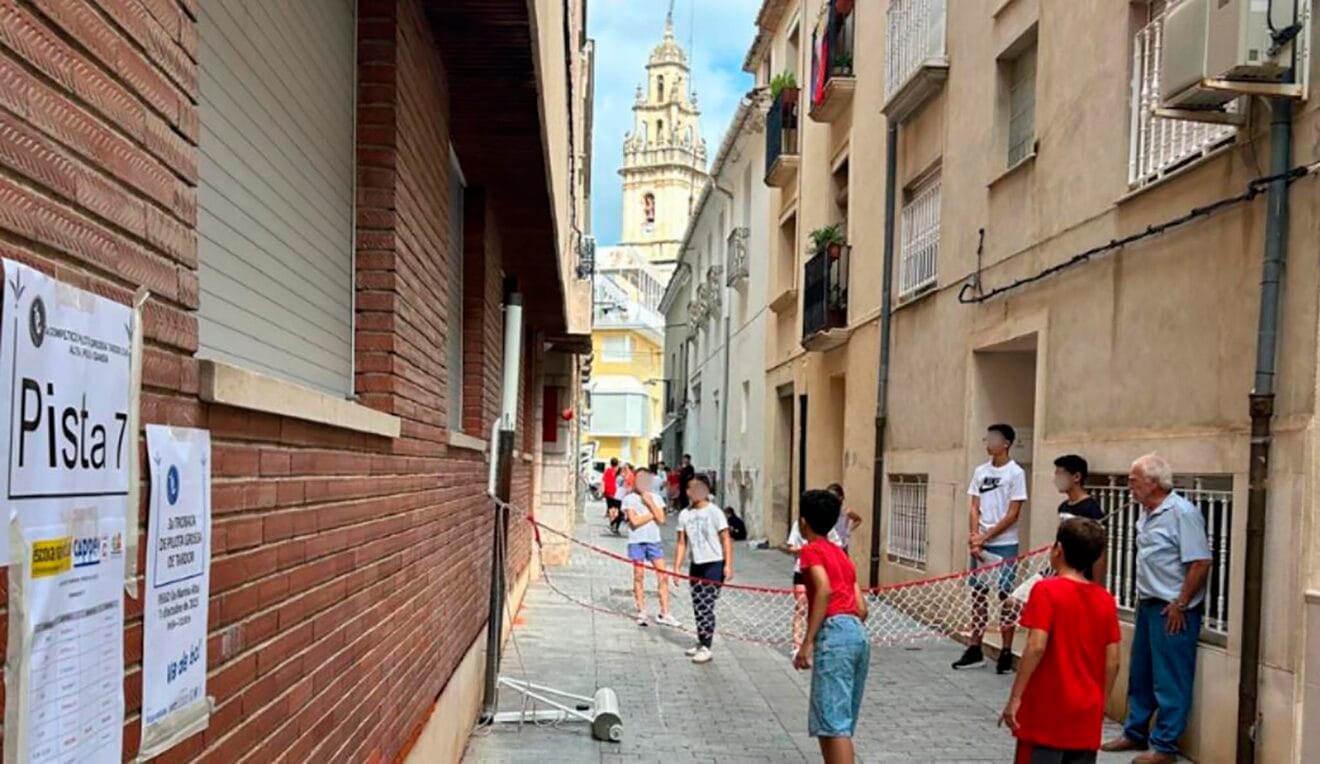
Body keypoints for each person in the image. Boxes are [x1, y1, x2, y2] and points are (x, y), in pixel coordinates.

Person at [1101, 455, 1211, 764]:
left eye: (1133, 481)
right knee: (1142, 672)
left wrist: (1181, 602)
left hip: (1172, 606)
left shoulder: (1182, 513)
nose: (1129, 487)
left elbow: (1200, 561)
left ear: (1153, 482)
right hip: (1148, 602)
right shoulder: (1147, 513)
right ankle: (1135, 731)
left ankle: (1165, 747)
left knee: (1170, 677)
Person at [1000, 517, 1121, 764]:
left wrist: (1015, 697)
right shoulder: (1105, 600)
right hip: (1086, 711)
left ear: (1058, 550)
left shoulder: (1046, 591)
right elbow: (1113, 662)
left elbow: (1036, 646)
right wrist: (1101, 703)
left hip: (1046, 709)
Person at [792, 489, 870, 764]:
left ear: (803, 522)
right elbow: (862, 609)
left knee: (834, 724)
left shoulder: (810, 551)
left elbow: (823, 590)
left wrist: (807, 642)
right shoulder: (842, 554)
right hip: (856, 634)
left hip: (834, 631)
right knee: (834, 720)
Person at [954, 423, 1029, 674]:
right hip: (981, 543)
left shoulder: (1015, 473)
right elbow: (974, 505)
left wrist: (986, 536)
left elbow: (1013, 513)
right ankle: (975, 647)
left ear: (1005, 443)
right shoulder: (980, 471)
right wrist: (975, 536)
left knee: (1005, 596)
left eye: (994, 437)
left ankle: (1006, 651)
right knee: (978, 594)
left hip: (1004, 543)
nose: (988, 441)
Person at [673, 475, 733, 664]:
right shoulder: (685, 515)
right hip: (696, 564)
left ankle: (707, 645)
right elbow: (682, 543)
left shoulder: (715, 512)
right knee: (698, 604)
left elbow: (725, 539)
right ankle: (701, 641)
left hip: (714, 563)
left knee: (707, 605)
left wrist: (728, 565)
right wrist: (676, 567)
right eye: (691, 488)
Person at [623, 467, 680, 628]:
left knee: (663, 575)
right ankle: (642, 610)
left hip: (654, 541)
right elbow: (634, 522)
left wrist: (649, 503)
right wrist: (652, 513)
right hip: (636, 541)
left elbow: (662, 519)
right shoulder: (629, 499)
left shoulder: (655, 497)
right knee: (639, 575)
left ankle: (665, 612)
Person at [786, 514, 842, 653]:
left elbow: (838, 546)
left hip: (822, 571)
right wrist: (803, 550)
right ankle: (797, 645)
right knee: (801, 607)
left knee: (821, 606)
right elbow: (790, 547)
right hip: (802, 570)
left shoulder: (827, 528)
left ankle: (819, 641)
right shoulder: (799, 525)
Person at [1053, 454, 1106, 582]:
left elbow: (1100, 551)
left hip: (1082, 575)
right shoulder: (1063, 507)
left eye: (1060, 475)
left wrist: (1096, 583)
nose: (1056, 480)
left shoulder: (1091, 509)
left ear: (1076, 477)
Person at [826, 483, 863, 552]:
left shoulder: (846, 512)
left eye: (833, 497)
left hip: (841, 546)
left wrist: (848, 530)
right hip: (829, 545)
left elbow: (858, 520)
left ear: (841, 498)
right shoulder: (827, 511)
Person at [603, 458, 621, 526]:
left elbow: (604, 480)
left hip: (608, 491)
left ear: (611, 463)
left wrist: (603, 490)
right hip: (617, 492)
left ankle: (611, 521)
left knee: (610, 507)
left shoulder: (607, 471)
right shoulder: (619, 472)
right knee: (616, 508)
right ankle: (615, 521)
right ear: (617, 464)